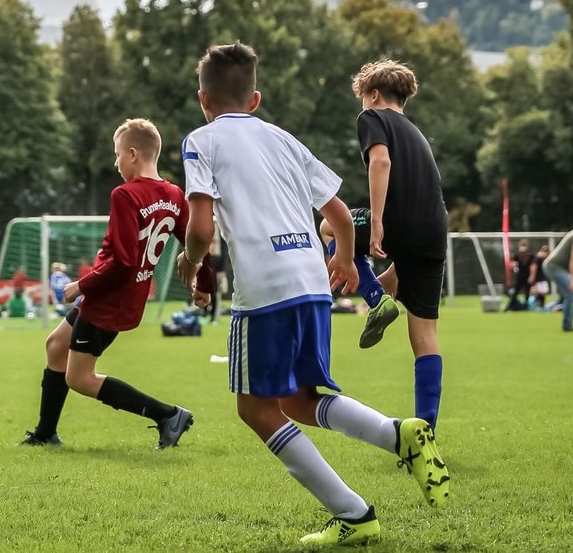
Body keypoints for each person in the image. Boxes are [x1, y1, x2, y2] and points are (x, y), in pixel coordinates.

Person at [175, 43, 449, 546]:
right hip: (310, 281)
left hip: (266, 287)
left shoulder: (201, 140)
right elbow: (341, 215)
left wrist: (191, 264)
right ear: (255, 99)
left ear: (202, 98)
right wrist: (345, 259)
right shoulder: (283, 138)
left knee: (255, 409)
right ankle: (402, 434)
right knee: (300, 400)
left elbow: (199, 225)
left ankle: (354, 512)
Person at [20, 118, 212, 450]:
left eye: (117, 155)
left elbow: (122, 261)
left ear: (133, 154)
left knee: (79, 377)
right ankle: (45, 433)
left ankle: (168, 415)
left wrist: (79, 286)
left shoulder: (125, 195)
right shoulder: (173, 194)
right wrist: (205, 284)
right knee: (56, 346)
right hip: (126, 297)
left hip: (108, 299)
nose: (116, 162)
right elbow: (196, 240)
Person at [320, 59, 448, 431]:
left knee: (330, 227)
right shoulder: (416, 132)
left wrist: (377, 221)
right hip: (434, 231)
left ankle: (376, 302)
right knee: (425, 335)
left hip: (397, 220)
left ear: (374, 94)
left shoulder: (373, 118)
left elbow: (380, 162)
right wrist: (397, 268)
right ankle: (425, 429)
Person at [506, 240, 535, 311]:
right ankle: (510, 305)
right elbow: (513, 265)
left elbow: (533, 266)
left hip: (527, 276)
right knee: (515, 292)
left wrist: (531, 277)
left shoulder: (531, 256)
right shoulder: (516, 255)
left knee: (527, 292)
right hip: (520, 276)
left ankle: (526, 306)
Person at [530, 245, 550, 310]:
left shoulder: (542, 259)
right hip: (539, 279)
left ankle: (540, 305)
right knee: (541, 292)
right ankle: (537, 304)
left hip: (542, 278)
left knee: (543, 292)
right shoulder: (538, 258)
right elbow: (533, 267)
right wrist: (532, 277)